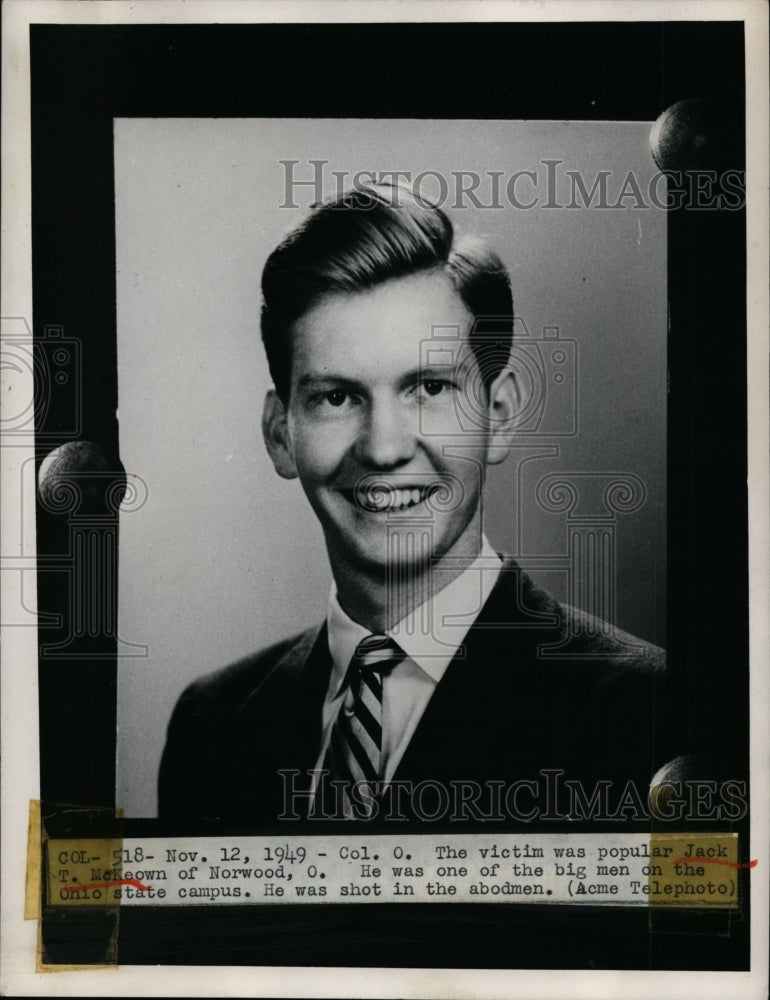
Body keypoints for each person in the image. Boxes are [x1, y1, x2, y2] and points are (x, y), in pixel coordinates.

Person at [158, 183, 666, 827]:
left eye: (428, 388)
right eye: (337, 397)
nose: (384, 447)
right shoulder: (212, 726)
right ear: (280, 434)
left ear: (499, 415)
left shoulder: (643, 713)